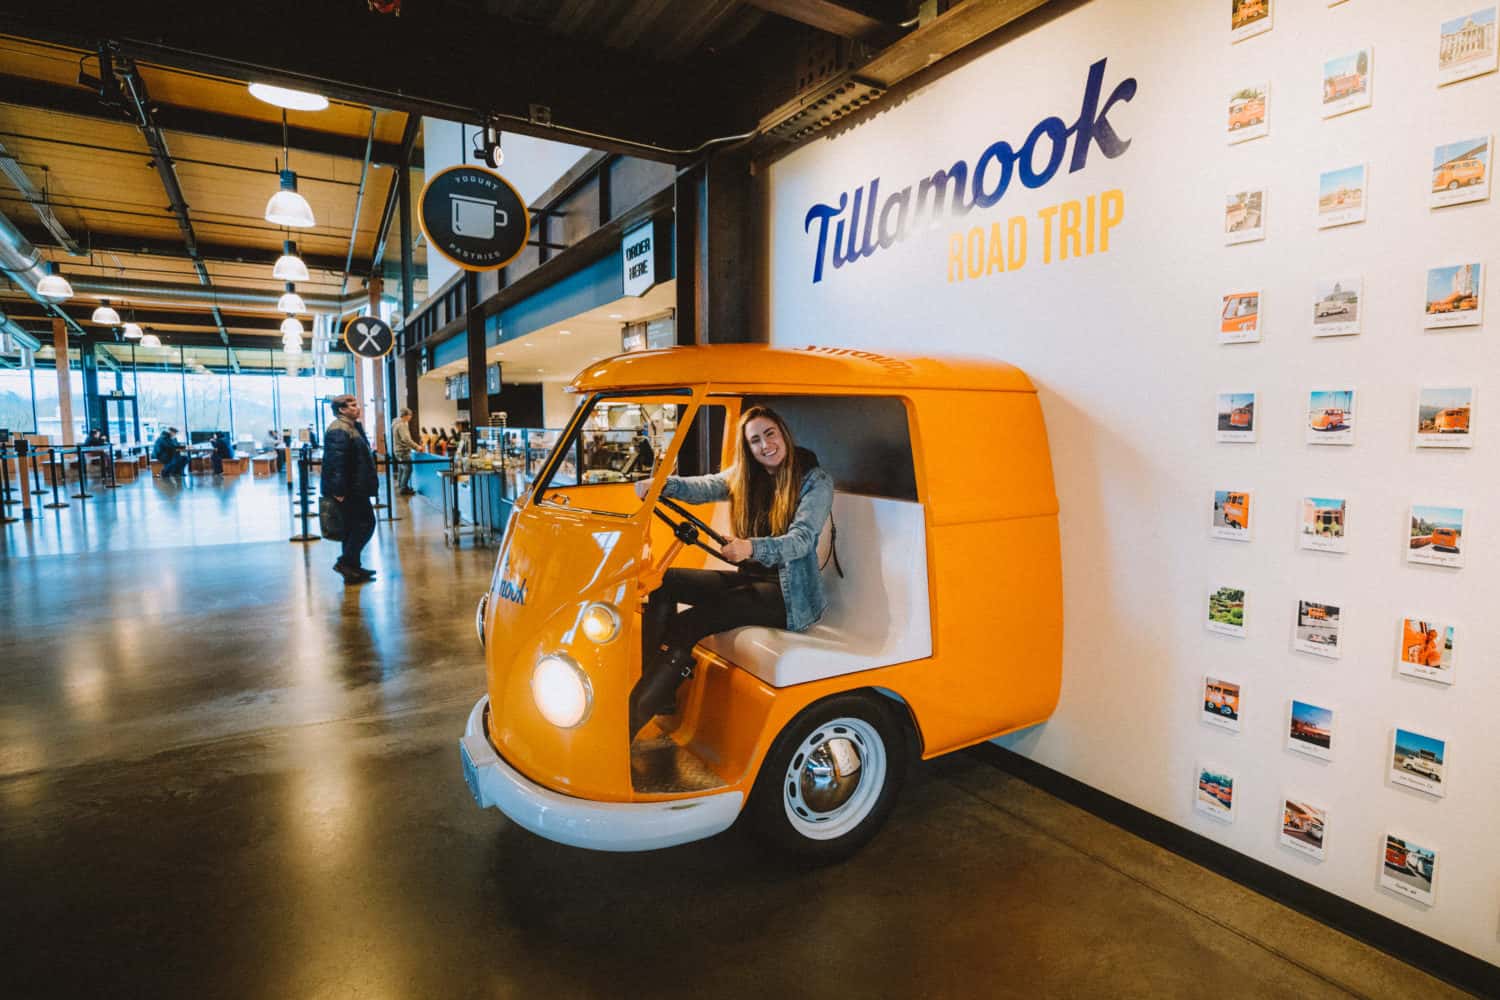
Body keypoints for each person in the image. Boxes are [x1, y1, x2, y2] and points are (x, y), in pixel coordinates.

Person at [628, 406, 834, 736]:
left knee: (688, 624)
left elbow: (801, 540)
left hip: (788, 596)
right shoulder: (748, 475)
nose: (765, 445)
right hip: (750, 580)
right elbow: (705, 486)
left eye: (770, 434)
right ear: (748, 448)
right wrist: (660, 485)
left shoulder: (815, 480)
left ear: (783, 433)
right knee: (661, 583)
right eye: (755, 440)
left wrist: (750, 547)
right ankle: (660, 695)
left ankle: (627, 725)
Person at [321, 394, 379, 583]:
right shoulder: (339, 429)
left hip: (355, 486)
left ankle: (353, 567)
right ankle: (345, 562)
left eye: (356, 403)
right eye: (352, 405)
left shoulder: (352, 427)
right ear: (342, 410)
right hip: (350, 489)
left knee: (352, 527)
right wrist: (339, 491)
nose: (357, 407)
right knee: (366, 524)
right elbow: (337, 462)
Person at [390, 407, 419, 495]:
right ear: (407, 415)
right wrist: (417, 447)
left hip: (397, 451)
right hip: (403, 451)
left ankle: (400, 484)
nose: (411, 418)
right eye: (410, 415)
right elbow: (406, 439)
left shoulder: (395, 423)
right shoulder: (402, 425)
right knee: (408, 469)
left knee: (402, 468)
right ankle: (404, 488)